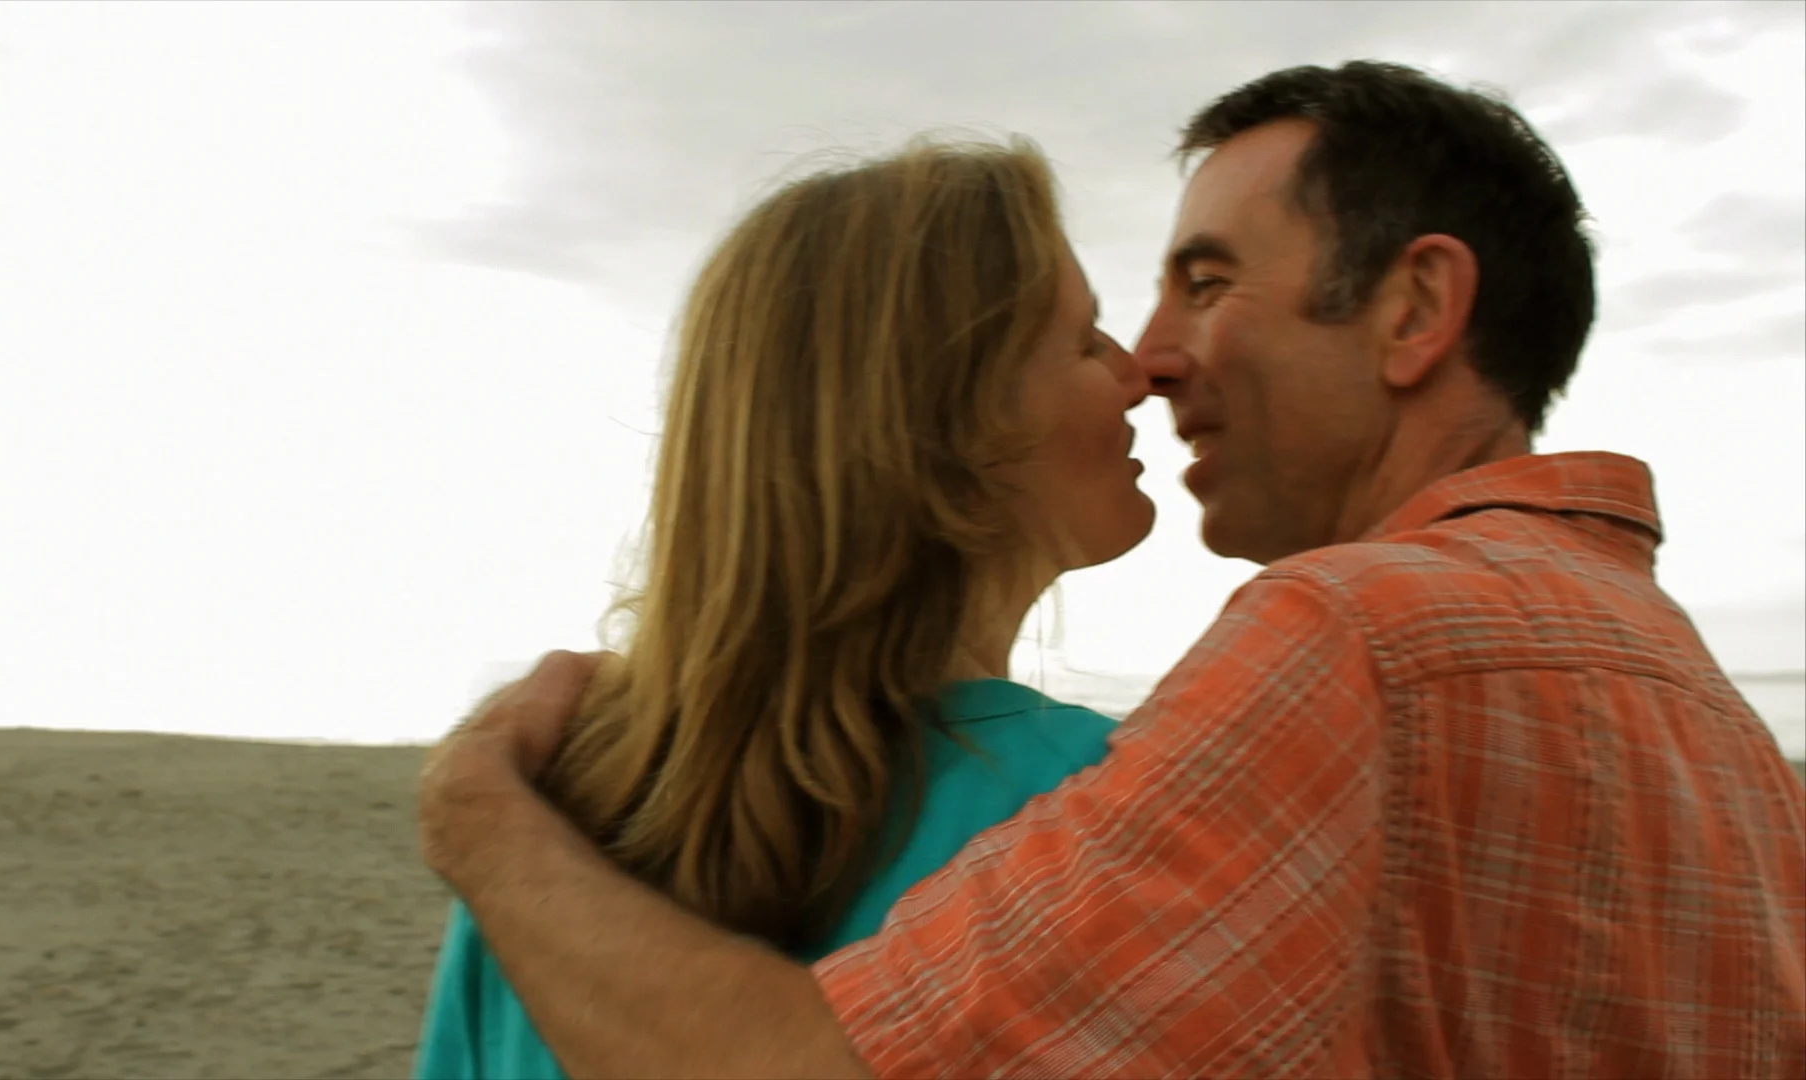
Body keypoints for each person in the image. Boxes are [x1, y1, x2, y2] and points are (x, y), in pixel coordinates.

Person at [419, 61, 1806, 1078]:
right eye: (1097, 325)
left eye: (1205, 282)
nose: (1150, 358)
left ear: (1415, 308)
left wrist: (484, 826)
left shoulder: (1346, 645)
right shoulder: (1733, 743)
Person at [412, 138, 1161, 1078]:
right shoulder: (1100, 802)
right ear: (955, 423)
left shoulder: (543, 821)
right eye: (1087, 340)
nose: (1141, 375)